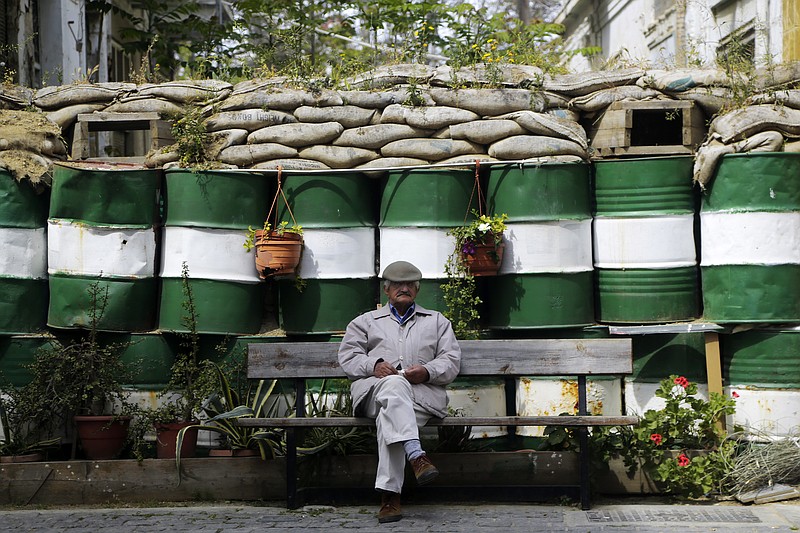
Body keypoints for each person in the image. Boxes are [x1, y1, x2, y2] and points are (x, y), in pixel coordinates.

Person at [337, 260, 462, 524]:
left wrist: (427, 371)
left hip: (421, 398)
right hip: (374, 393)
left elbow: (451, 361)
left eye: (409, 284)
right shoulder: (365, 322)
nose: (403, 288)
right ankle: (416, 455)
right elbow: (348, 357)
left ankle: (389, 496)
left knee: (389, 417)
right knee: (393, 387)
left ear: (417, 289)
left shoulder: (437, 322)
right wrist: (374, 365)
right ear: (386, 289)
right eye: (397, 284)